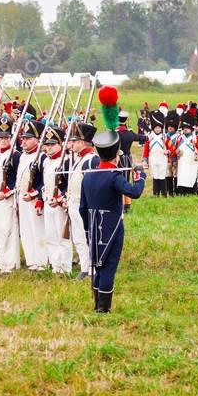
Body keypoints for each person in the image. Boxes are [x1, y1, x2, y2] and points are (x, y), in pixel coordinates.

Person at [80, 127, 147, 313]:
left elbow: (82, 208)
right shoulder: (114, 177)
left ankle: (97, 304)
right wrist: (140, 177)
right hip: (112, 227)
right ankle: (103, 308)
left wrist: (87, 230)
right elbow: (135, 192)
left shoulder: (88, 176)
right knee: (108, 268)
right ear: (115, 156)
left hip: (93, 227)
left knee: (98, 266)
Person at [65, 119, 100, 279]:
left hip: (84, 204)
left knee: (88, 236)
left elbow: (93, 185)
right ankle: (84, 266)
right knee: (78, 237)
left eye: (76, 141)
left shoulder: (92, 159)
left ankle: (92, 268)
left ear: (84, 142)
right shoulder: (78, 159)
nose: (72, 144)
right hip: (73, 203)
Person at [36, 125, 72, 274]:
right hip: (47, 201)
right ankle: (55, 265)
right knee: (50, 236)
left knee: (62, 237)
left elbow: (68, 185)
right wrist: (40, 200)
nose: (49, 147)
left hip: (59, 204)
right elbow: (44, 183)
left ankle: (65, 267)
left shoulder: (66, 161)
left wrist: (60, 198)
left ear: (61, 144)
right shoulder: (46, 161)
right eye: (47, 144)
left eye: (53, 144)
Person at [0, 115, 21, 274]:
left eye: (6, 137)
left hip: (8, 197)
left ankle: (10, 263)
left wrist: (6, 192)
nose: (3, 140)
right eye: (0, 138)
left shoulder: (15, 155)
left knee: (9, 229)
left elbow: (16, 177)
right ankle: (3, 262)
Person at [16, 119, 48, 270]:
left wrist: (36, 194)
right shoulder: (23, 156)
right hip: (22, 197)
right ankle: (32, 260)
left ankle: (42, 261)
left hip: (34, 198)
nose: (24, 141)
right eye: (24, 138)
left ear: (37, 140)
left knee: (38, 230)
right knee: (26, 230)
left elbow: (45, 182)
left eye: (28, 138)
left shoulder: (41, 157)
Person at [142, 104, 171, 196]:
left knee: (162, 176)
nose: (158, 129)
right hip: (153, 157)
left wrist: (168, 151)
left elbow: (170, 147)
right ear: (153, 127)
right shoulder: (150, 137)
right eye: (156, 127)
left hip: (162, 158)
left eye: (159, 127)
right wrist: (145, 160)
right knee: (155, 176)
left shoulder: (165, 136)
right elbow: (146, 149)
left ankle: (164, 194)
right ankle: (155, 194)